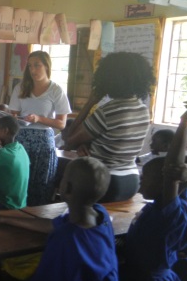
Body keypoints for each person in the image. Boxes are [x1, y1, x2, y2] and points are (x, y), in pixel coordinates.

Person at [0, 157, 126, 281]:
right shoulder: (101, 215)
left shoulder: (67, 239)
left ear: (67, 188)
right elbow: (52, 225)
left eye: (63, 178)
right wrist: (2, 218)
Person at [116, 98, 187, 281]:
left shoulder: (168, 211)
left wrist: (184, 123)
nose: (140, 182)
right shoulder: (163, 207)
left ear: (167, 181)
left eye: (146, 179)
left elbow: (172, 168)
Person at [66, 52, 155, 202]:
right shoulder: (143, 109)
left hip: (104, 179)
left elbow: (68, 139)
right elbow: (113, 140)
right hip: (131, 180)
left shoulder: (108, 111)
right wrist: (87, 144)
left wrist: (90, 102)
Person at [9, 50, 71, 206]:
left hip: (44, 143)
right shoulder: (21, 88)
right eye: (30, 66)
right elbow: (13, 116)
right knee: (20, 182)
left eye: (37, 65)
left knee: (42, 184)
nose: (33, 70)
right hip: (22, 140)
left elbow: (61, 124)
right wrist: (14, 119)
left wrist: (39, 118)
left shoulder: (56, 90)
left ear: (47, 66)